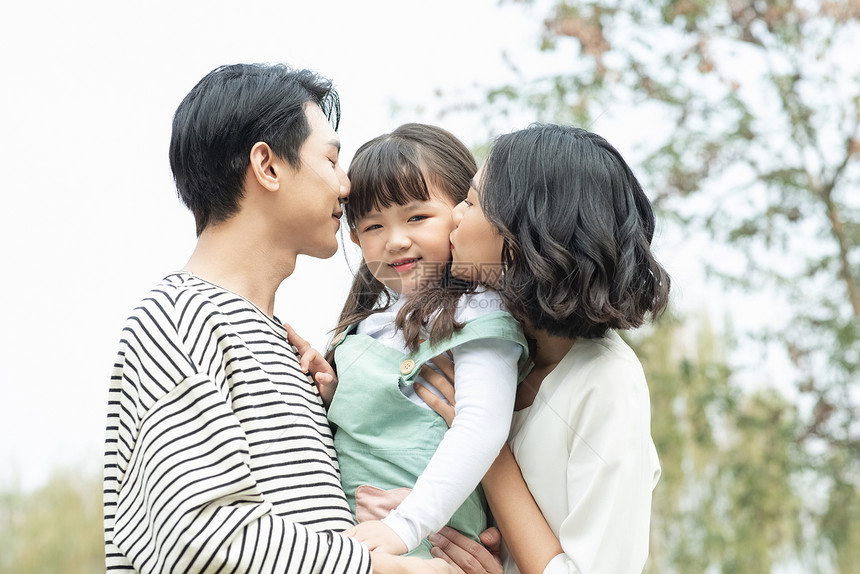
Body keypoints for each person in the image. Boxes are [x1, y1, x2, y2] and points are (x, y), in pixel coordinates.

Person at [103, 63, 451, 574]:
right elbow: (202, 536)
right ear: (267, 166)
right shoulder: (179, 317)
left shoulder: (284, 348)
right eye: (331, 160)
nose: (347, 184)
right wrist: (392, 570)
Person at [417, 123, 671, 573]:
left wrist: (485, 447)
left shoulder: (607, 381)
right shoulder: (489, 352)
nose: (454, 214)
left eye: (471, 202)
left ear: (520, 240)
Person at [314, 123, 528, 558]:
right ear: (355, 238)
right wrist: (339, 391)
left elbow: (481, 427)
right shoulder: (371, 322)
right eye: (373, 226)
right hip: (361, 542)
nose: (396, 240)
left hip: (424, 546)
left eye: (417, 217)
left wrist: (405, 526)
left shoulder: (478, 308)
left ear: (462, 212)